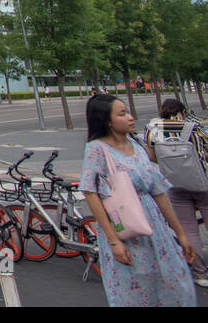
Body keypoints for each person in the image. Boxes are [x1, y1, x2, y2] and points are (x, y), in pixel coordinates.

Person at [80, 94, 197, 307]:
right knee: (136, 292)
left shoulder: (137, 145)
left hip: (156, 229)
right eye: (122, 114)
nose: (131, 118)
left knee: (176, 283)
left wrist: (180, 233)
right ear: (107, 121)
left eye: (128, 112)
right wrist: (113, 241)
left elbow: (158, 191)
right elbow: (91, 194)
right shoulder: (97, 149)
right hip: (126, 231)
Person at [143, 98, 208, 288]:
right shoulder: (192, 127)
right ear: (182, 111)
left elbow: (151, 156)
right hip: (202, 183)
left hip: (174, 184)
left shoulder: (152, 128)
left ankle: (200, 274)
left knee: (188, 230)